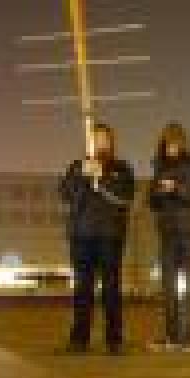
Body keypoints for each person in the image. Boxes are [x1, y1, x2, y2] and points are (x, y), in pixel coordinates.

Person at [58, 122, 135, 355]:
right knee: (83, 289)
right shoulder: (77, 166)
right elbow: (65, 194)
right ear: (89, 142)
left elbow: (126, 196)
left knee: (111, 289)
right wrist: (83, 176)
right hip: (81, 235)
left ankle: (114, 340)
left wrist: (102, 178)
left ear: (111, 142)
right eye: (96, 139)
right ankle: (79, 339)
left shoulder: (121, 168)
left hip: (110, 236)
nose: (100, 143)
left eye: (104, 139)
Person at [147, 121, 190, 352]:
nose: (171, 146)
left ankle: (188, 339)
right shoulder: (159, 167)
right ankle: (171, 337)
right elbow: (152, 203)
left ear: (183, 143)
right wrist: (157, 192)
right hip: (167, 234)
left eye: (175, 142)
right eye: (167, 143)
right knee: (168, 288)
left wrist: (177, 188)